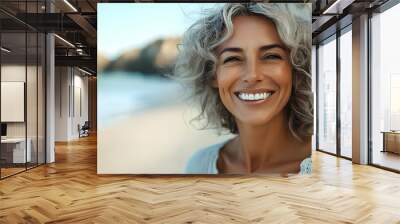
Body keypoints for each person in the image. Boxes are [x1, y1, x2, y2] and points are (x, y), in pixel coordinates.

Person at [174, 3, 313, 174]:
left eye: (271, 56)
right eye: (232, 59)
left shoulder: (324, 167)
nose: (252, 75)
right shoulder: (198, 166)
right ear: (212, 75)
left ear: (295, 69)